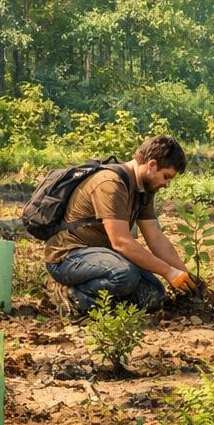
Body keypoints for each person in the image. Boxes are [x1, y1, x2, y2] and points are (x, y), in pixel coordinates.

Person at [43, 134, 199, 316]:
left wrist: (184, 276)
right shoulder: (111, 183)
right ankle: (73, 295)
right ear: (152, 165)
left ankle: (105, 304)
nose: (166, 184)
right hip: (69, 257)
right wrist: (167, 271)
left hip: (102, 257)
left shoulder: (144, 190)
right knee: (124, 275)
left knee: (154, 292)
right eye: (166, 177)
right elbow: (121, 242)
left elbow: (156, 237)